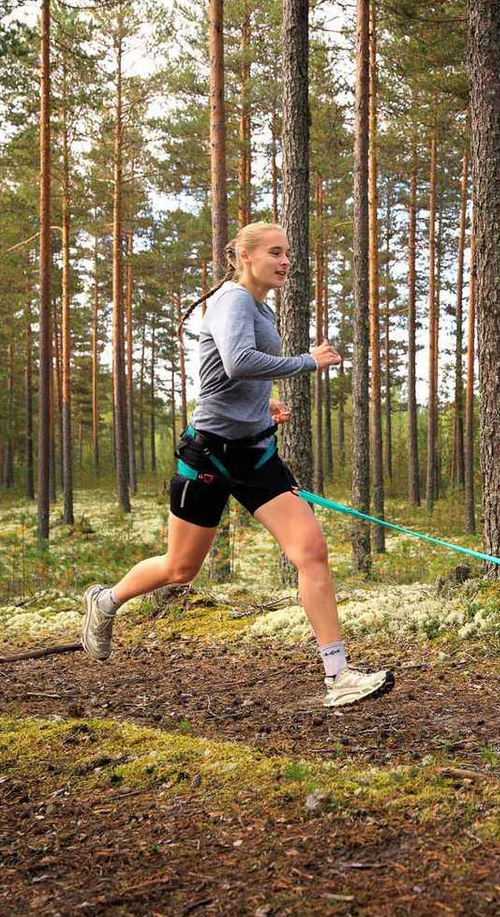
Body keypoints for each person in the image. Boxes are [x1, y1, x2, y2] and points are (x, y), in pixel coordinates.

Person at [80, 221, 392, 708]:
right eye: (275, 252)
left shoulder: (259, 306)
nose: (286, 260)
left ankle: (338, 674)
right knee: (181, 568)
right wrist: (307, 362)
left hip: (255, 453)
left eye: (288, 252)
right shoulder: (233, 300)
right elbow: (238, 362)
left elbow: (226, 377)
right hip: (208, 454)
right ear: (245, 256)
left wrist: (260, 406)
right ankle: (106, 601)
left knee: (310, 551)